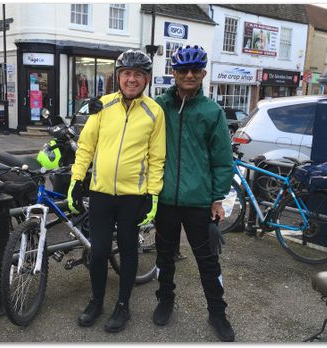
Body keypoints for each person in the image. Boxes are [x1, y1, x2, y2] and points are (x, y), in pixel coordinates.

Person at [68, 50, 166, 333]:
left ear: (146, 79)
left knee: (128, 250)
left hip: (132, 197)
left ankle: (122, 306)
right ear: (118, 77)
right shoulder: (103, 105)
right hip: (100, 193)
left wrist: (153, 195)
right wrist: (77, 180)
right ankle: (96, 301)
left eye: (138, 75)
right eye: (126, 74)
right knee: (98, 252)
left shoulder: (154, 112)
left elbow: (156, 158)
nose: (131, 79)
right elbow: (86, 146)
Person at [152, 45, 235, 342]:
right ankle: (165, 299)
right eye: (182, 70)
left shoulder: (212, 112)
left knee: (208, 262)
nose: (188, 75)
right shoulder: (159, 106)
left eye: (195, 70)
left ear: (202, 73)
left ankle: (217, 313)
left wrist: (218, 198)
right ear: (173, 73)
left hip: (199, 202)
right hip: (164, 202)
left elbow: (223, 160)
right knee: (164, 256)